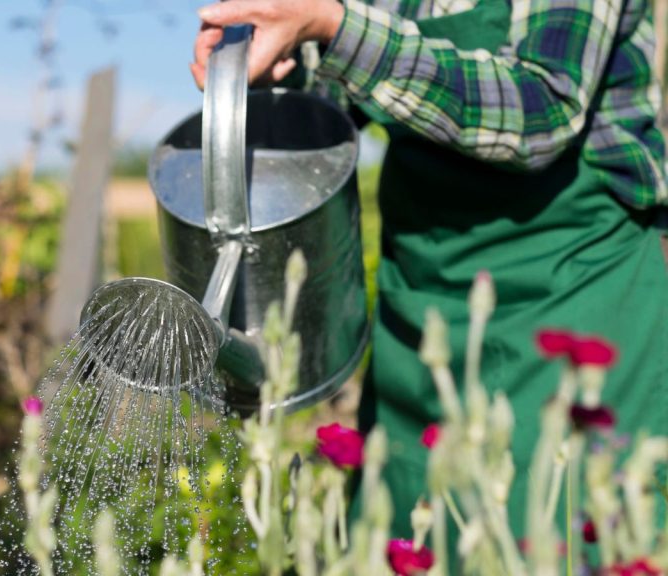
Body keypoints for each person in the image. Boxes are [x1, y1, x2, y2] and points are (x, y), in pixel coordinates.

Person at [192, 0, 668, 557]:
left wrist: (336, 26)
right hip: (421, 309)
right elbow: (338, 102)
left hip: (571, 287)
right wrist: (276, 56)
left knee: (556, 536)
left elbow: (541, 108)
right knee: (406, 542)